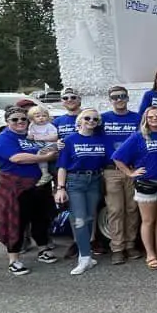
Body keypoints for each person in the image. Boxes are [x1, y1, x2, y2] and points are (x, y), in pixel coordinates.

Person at [0, 105, 61, 276]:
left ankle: (43, 250)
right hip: (15, 186)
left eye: (23, 119)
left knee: (41, 218)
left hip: (39, 184)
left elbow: (50, 147)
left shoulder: (32, 136)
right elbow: (17, 158)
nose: (20, 122)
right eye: (15, 119)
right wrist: (44, 157)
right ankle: (13, 260)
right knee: (16, 222)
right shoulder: (3, 138)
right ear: (7, 122)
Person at [112, 107, 157, 269]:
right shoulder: (138, 137)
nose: (154, 118)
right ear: (145, 119)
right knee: (148, 220)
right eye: (151, 116)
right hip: (146, 183)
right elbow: (117, 157)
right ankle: (150, 254)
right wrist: (130, 173)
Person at [55, 109, 113, 275]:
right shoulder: (69, 140)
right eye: (87, 118)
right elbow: (62, 166)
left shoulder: (101, 139)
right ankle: (84, 257)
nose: (91, 121)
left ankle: (86, 255)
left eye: (95, 119)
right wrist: (60, 188)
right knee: (79, 219)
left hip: (94, 181)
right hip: (75, 182)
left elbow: (113, 157)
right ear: (79, 121)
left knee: (89, 219)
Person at [101, 86, 143, 265]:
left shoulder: (137, 118)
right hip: (112, 171)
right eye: (115, 97)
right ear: (110, 99)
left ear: (127, 98)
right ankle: (117, 248)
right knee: (115, 209)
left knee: (132, 209)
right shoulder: (102, 119)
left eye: (122, 96)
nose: (119, 99)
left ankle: (130, 244)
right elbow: (84, 131)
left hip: (133, 169)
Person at [27, 105, 59, 187]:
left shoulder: (49, 126)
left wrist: (40, 138)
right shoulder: (32, 126)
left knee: (40, 154)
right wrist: (30, 136)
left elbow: (55, 137)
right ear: (32, 118)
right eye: (37, 116)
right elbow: (30, 136)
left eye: (44, 116)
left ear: (48, 117)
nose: (41, 118)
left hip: (51, 144)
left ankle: (45, 174)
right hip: (41, 145)